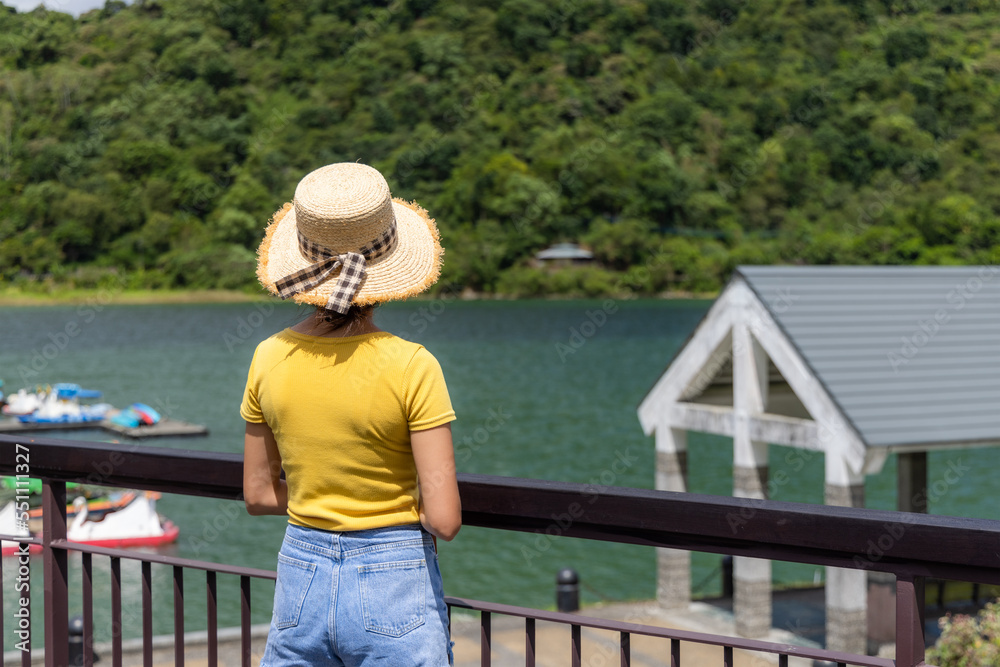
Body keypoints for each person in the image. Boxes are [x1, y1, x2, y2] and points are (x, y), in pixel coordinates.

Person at [240, 162, 461, 666]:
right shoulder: (413, 364)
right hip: (394, 574)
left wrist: (327, 493)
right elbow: (444, 518)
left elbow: (257, 493)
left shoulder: (268, 356)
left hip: (301, 572)